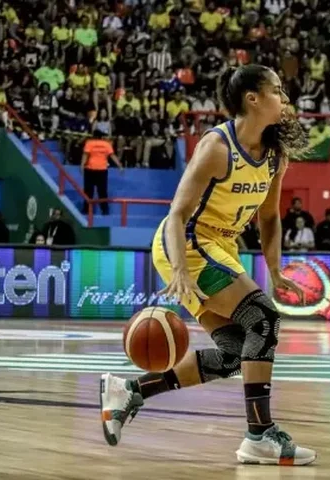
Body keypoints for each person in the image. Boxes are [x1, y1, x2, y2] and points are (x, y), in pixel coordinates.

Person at [99, 65, 316, 466]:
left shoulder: (274, 154)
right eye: (278, 91)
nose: (285, 100)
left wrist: (276, 270)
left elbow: (269, 217)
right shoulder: (217, 147)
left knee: (236, 352)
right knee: (263, 319)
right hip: (187, 245)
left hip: (221, 246)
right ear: (253, 99)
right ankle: (259, 434)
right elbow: (178, 214)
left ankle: (129, 392)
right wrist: (180, 270)